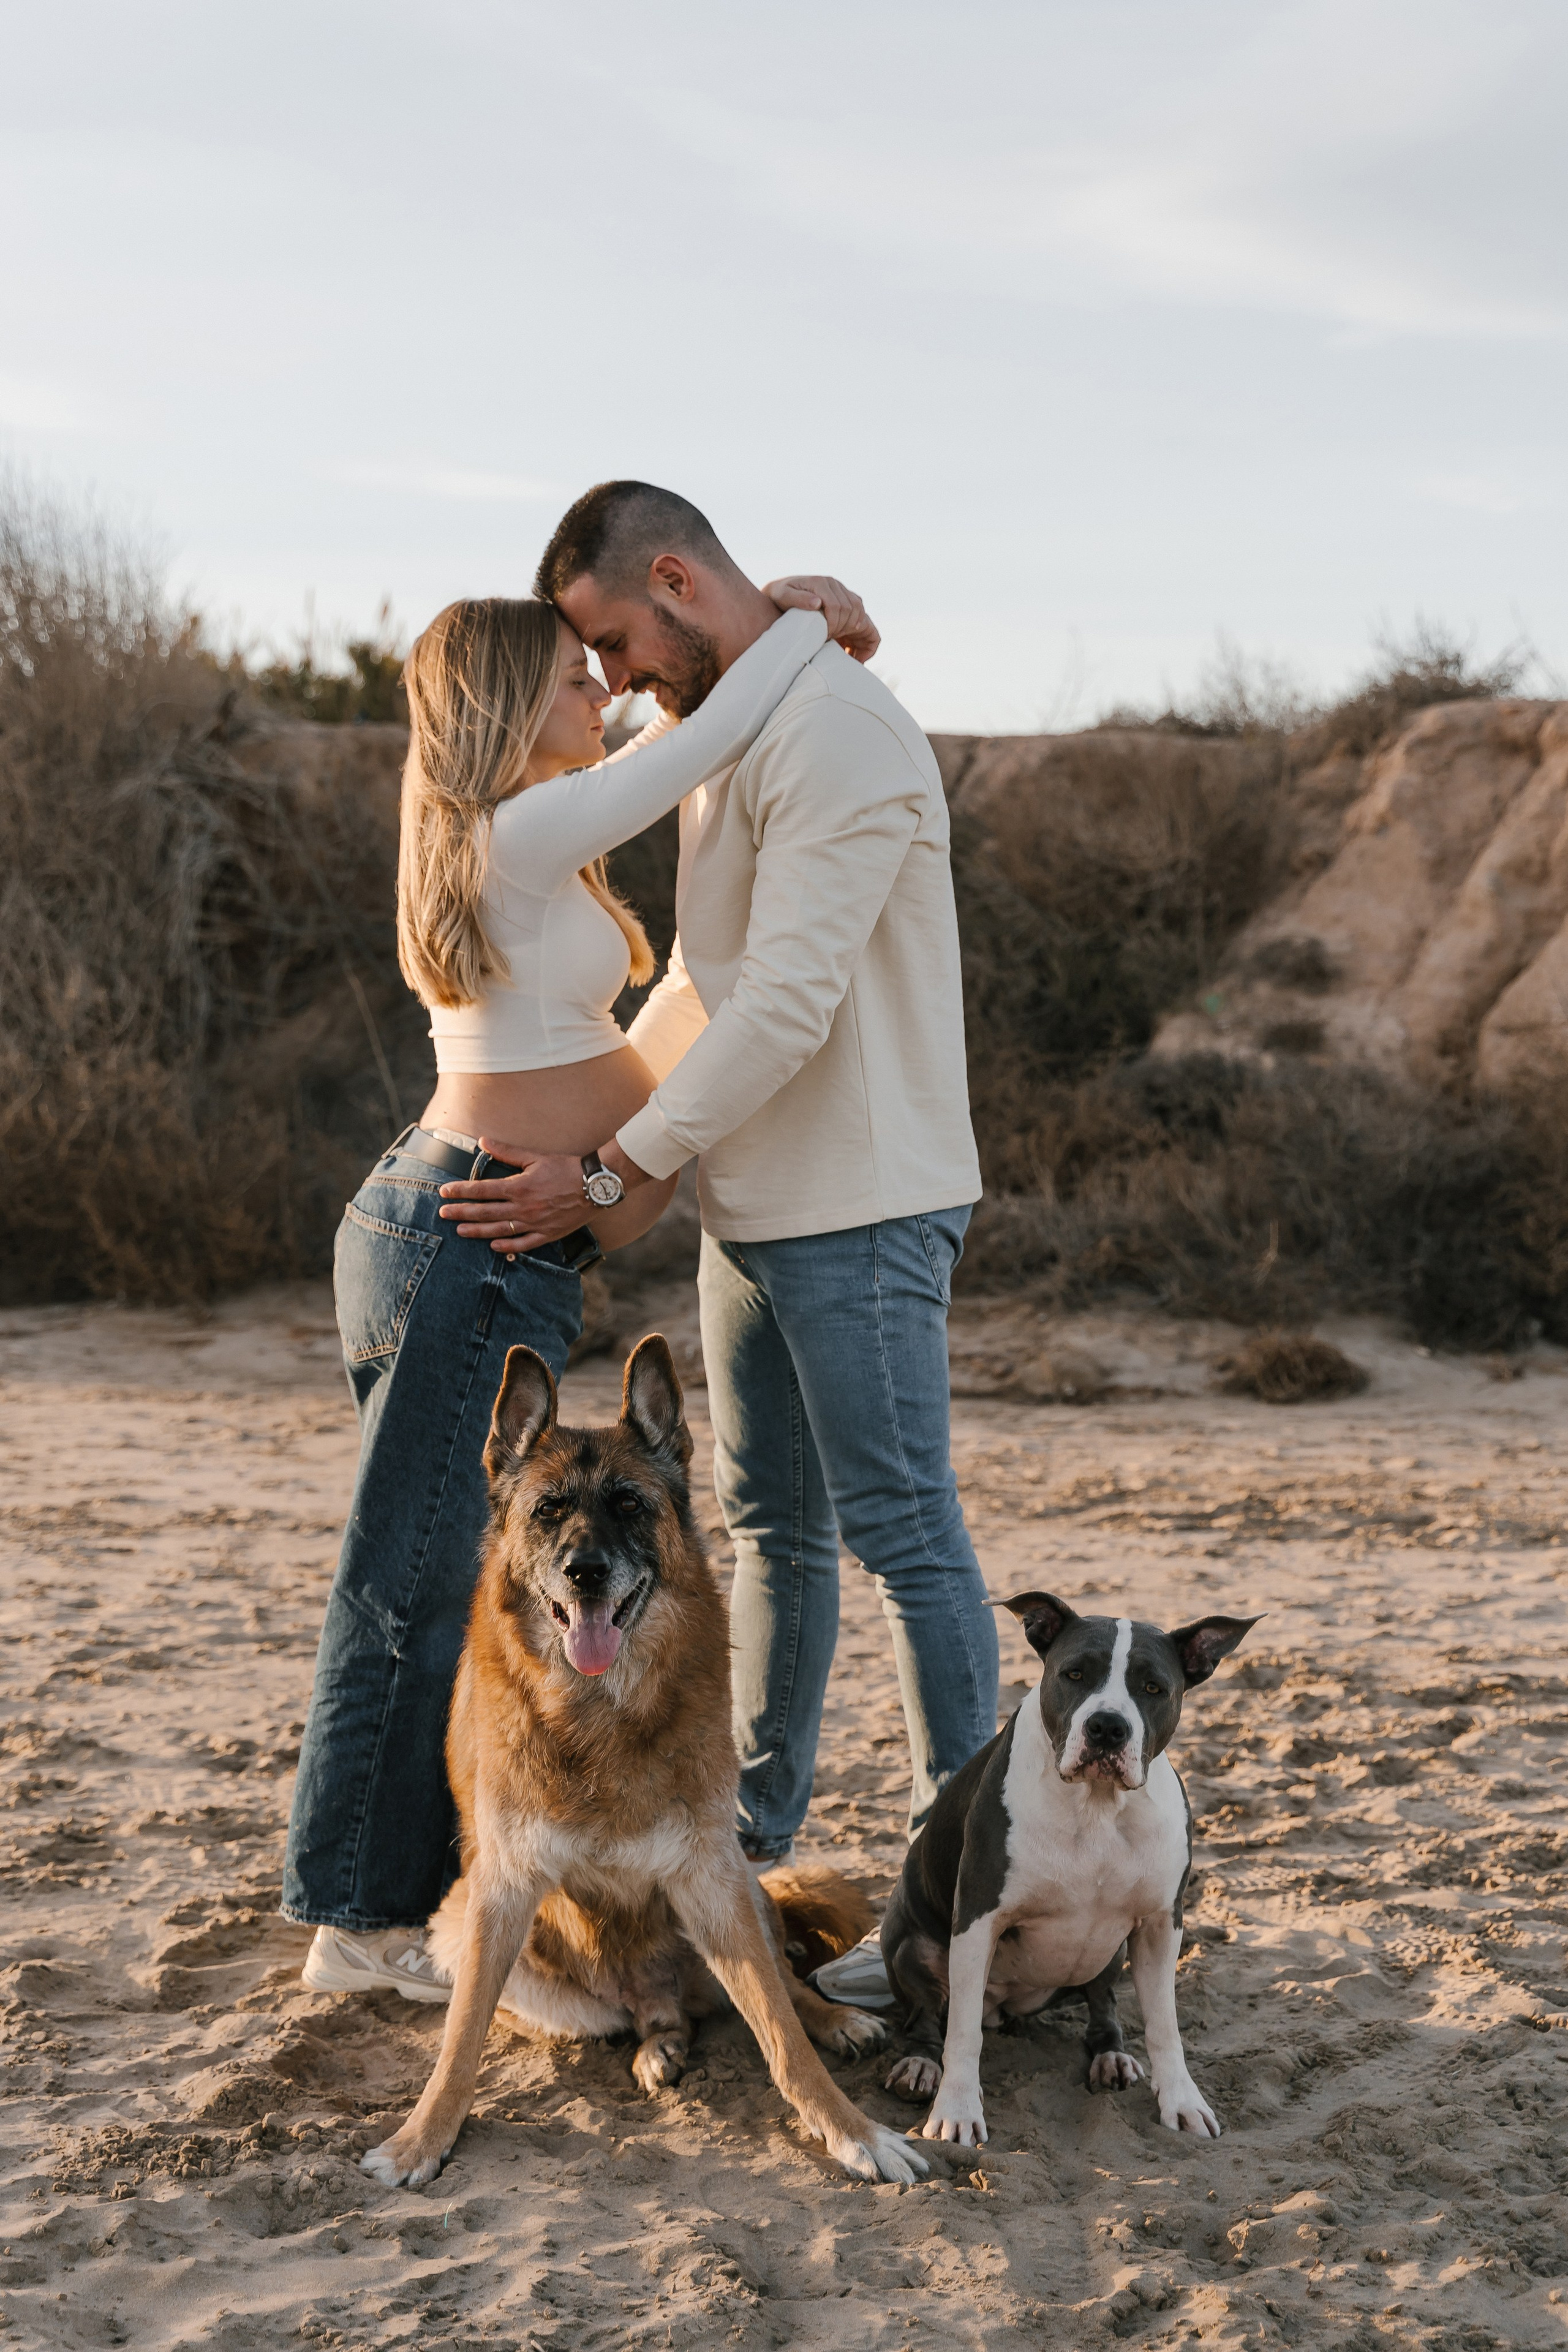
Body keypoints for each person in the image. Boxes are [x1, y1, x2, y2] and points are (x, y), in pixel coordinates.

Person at [284, 570, 877, 2000]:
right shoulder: (518, 824)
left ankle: (417, 1900)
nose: (600, 692)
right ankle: (358, 1928)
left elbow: (652, 936)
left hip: (477, 1241)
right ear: (499, 699)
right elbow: (691, 747)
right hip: (463, 1242)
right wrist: (800, 630)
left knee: (448, 1583)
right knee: (414, 1590)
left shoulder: (519, 842)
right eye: (570, 674)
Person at [439, 481, 1000, 1878]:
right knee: (769, 1536)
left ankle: (956, 1882)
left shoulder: (841, 735)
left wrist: (613, 1164)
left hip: (859, 1205)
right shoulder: (719, 735)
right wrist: (596, 1140)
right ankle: (753, 1834)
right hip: (752, 1207)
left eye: (616, 644)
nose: (615, 686)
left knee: (900, 1536)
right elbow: (705, 981)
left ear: (678, 582)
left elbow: (791, 1004)